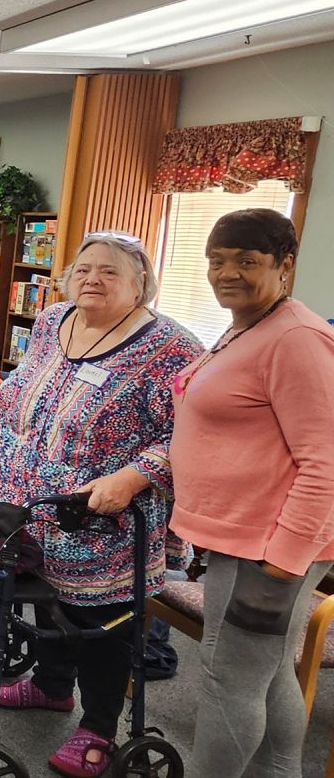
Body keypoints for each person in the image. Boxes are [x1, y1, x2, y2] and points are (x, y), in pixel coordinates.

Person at [0, 232, 200, 776]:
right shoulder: (54, 319)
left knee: (102, 625)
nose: (92, 280)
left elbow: (194, 436)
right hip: (31, 505)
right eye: (83, 270)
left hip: (103, 519)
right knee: (43, 598)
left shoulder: (172, 348)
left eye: (109, 272)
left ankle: (98, 727)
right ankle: (51, 686)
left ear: (141, 285)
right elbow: (24, 390)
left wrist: (134, 476)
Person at [171, 209, 334, 778]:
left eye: (247, 261)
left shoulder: (296, 337)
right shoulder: (249, 323)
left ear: (284, 265)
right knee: (265, 673)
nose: (227, 273)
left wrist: (282, 564)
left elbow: (325, 464)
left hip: (269, 547)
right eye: (217, 260)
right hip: (245, 535)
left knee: (227, 678)